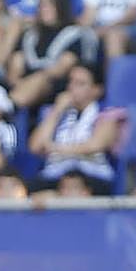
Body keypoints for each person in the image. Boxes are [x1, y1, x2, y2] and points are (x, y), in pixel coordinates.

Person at [28, 63, 121, 195]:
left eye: (80, 84)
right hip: (57, 175)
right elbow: (35, 147)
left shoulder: (108, 113)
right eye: (70, 82)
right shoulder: (54, 113)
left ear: (96, 90)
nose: (72, 88)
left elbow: (94, 145)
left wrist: (54, 148)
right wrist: (57, 110)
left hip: (92, 175)